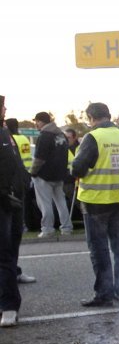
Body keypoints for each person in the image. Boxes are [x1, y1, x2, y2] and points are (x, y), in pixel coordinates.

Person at [70, 102, 119, 307]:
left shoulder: (93, 137)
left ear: (91, 117)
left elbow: (78, 168)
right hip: (118, 198)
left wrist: (75, 170)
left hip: (95, 200)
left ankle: (104, 294)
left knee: (99, 250)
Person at [0, 96, 28, 327]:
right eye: (2, 106)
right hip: (5, 198)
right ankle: (8, 305)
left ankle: (9, 306)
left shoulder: (5, 132)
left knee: (7, 251)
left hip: (11, 201)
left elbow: (14, 165)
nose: (5, 109)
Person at [31, 112, 72, 237]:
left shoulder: (44, 136)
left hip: (44, 175)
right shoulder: (61, 135)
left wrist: (33, 172)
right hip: (59, 174)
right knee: (61, 202)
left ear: (42, 121)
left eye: (37, 121)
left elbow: (39, 158)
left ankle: (47, 229)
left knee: (45, 203)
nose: (36, 124)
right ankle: (66, 228)